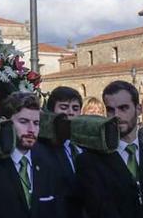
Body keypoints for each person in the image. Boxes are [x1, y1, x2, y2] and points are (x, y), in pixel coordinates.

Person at [76, 80, 143, 218]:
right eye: (110, 110)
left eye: (123, 108)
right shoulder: (90, 161)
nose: (116, 115)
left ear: (139, 110)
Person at [0, 91, 64, 218]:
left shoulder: (48, 159)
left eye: (36, 123)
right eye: (23, 121)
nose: (31, 129)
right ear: (5, 122)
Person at [39, 86, 83, 218]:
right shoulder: (43, 149)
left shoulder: (85, 146)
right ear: (52, 111)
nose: (70, 112)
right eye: (63, 107)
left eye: (75, 108)